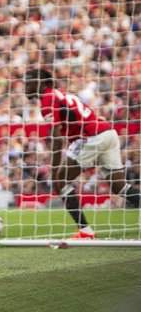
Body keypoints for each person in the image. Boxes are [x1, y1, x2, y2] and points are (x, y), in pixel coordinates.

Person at [24, 68, 140, 239]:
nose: (25, 86)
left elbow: (56, 138)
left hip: (89, 137)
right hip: (107, 133)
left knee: (60, 182)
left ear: (40, 83)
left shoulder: (48, 99)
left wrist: (55, 169)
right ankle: (85, 231)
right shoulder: (59, 93)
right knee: (119, 187)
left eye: (29, 81)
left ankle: (85, 231)